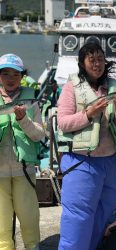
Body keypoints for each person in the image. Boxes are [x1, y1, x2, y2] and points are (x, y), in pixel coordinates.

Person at [57, 43, 116, 250]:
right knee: (78, 219)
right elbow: (63, 122)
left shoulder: (112, 86)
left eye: (100, 59)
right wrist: (89, 114)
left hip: (108, 162)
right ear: (82, 63)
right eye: (92, 60)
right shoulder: (72, 86)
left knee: (103, 213)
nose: (97, 64)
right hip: (81, 161)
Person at [0, 54, 45, 250]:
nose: (10, 78)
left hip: (24, 171)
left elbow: (40, 135)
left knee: (29, 220)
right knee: (1, 226)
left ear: (22, 77)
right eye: (5, 73)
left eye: (16, 74)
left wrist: (23, 120)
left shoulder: (30, 99)